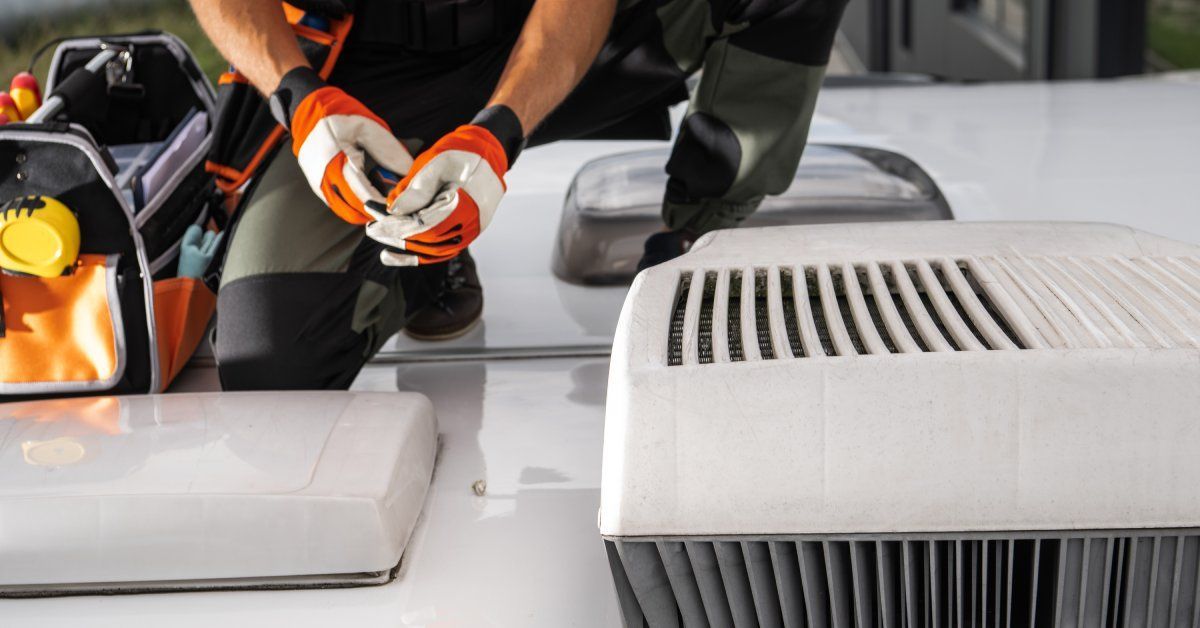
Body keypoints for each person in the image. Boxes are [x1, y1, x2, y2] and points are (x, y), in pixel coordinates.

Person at [189, 0, 848, 390]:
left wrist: (499, 130)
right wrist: (301, 100)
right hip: (354, 71)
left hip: (546, 41)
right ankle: (418, 259)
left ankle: (700, 247)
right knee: (269, 357)